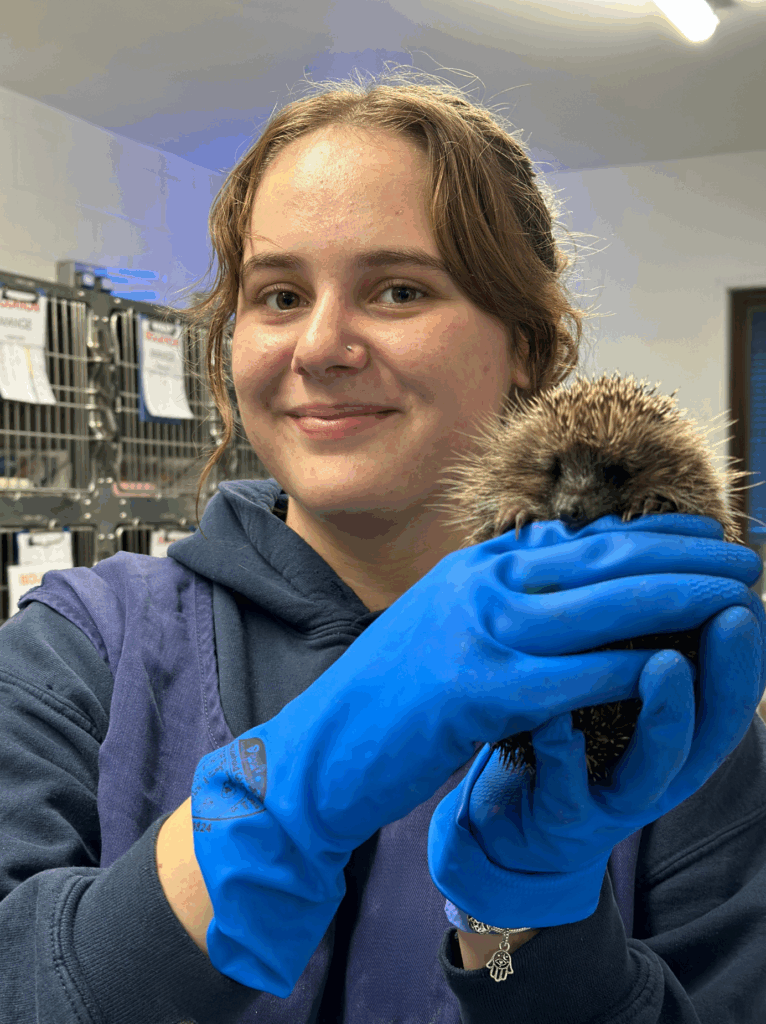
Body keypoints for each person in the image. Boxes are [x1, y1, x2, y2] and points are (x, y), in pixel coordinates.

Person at [1, 64, 765, 1024]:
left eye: (399, 289)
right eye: (277, 294)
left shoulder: (664, 682)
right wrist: (278, 807)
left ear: (527, 344)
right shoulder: (77, 644)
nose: (320, 345)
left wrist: (527, 932)